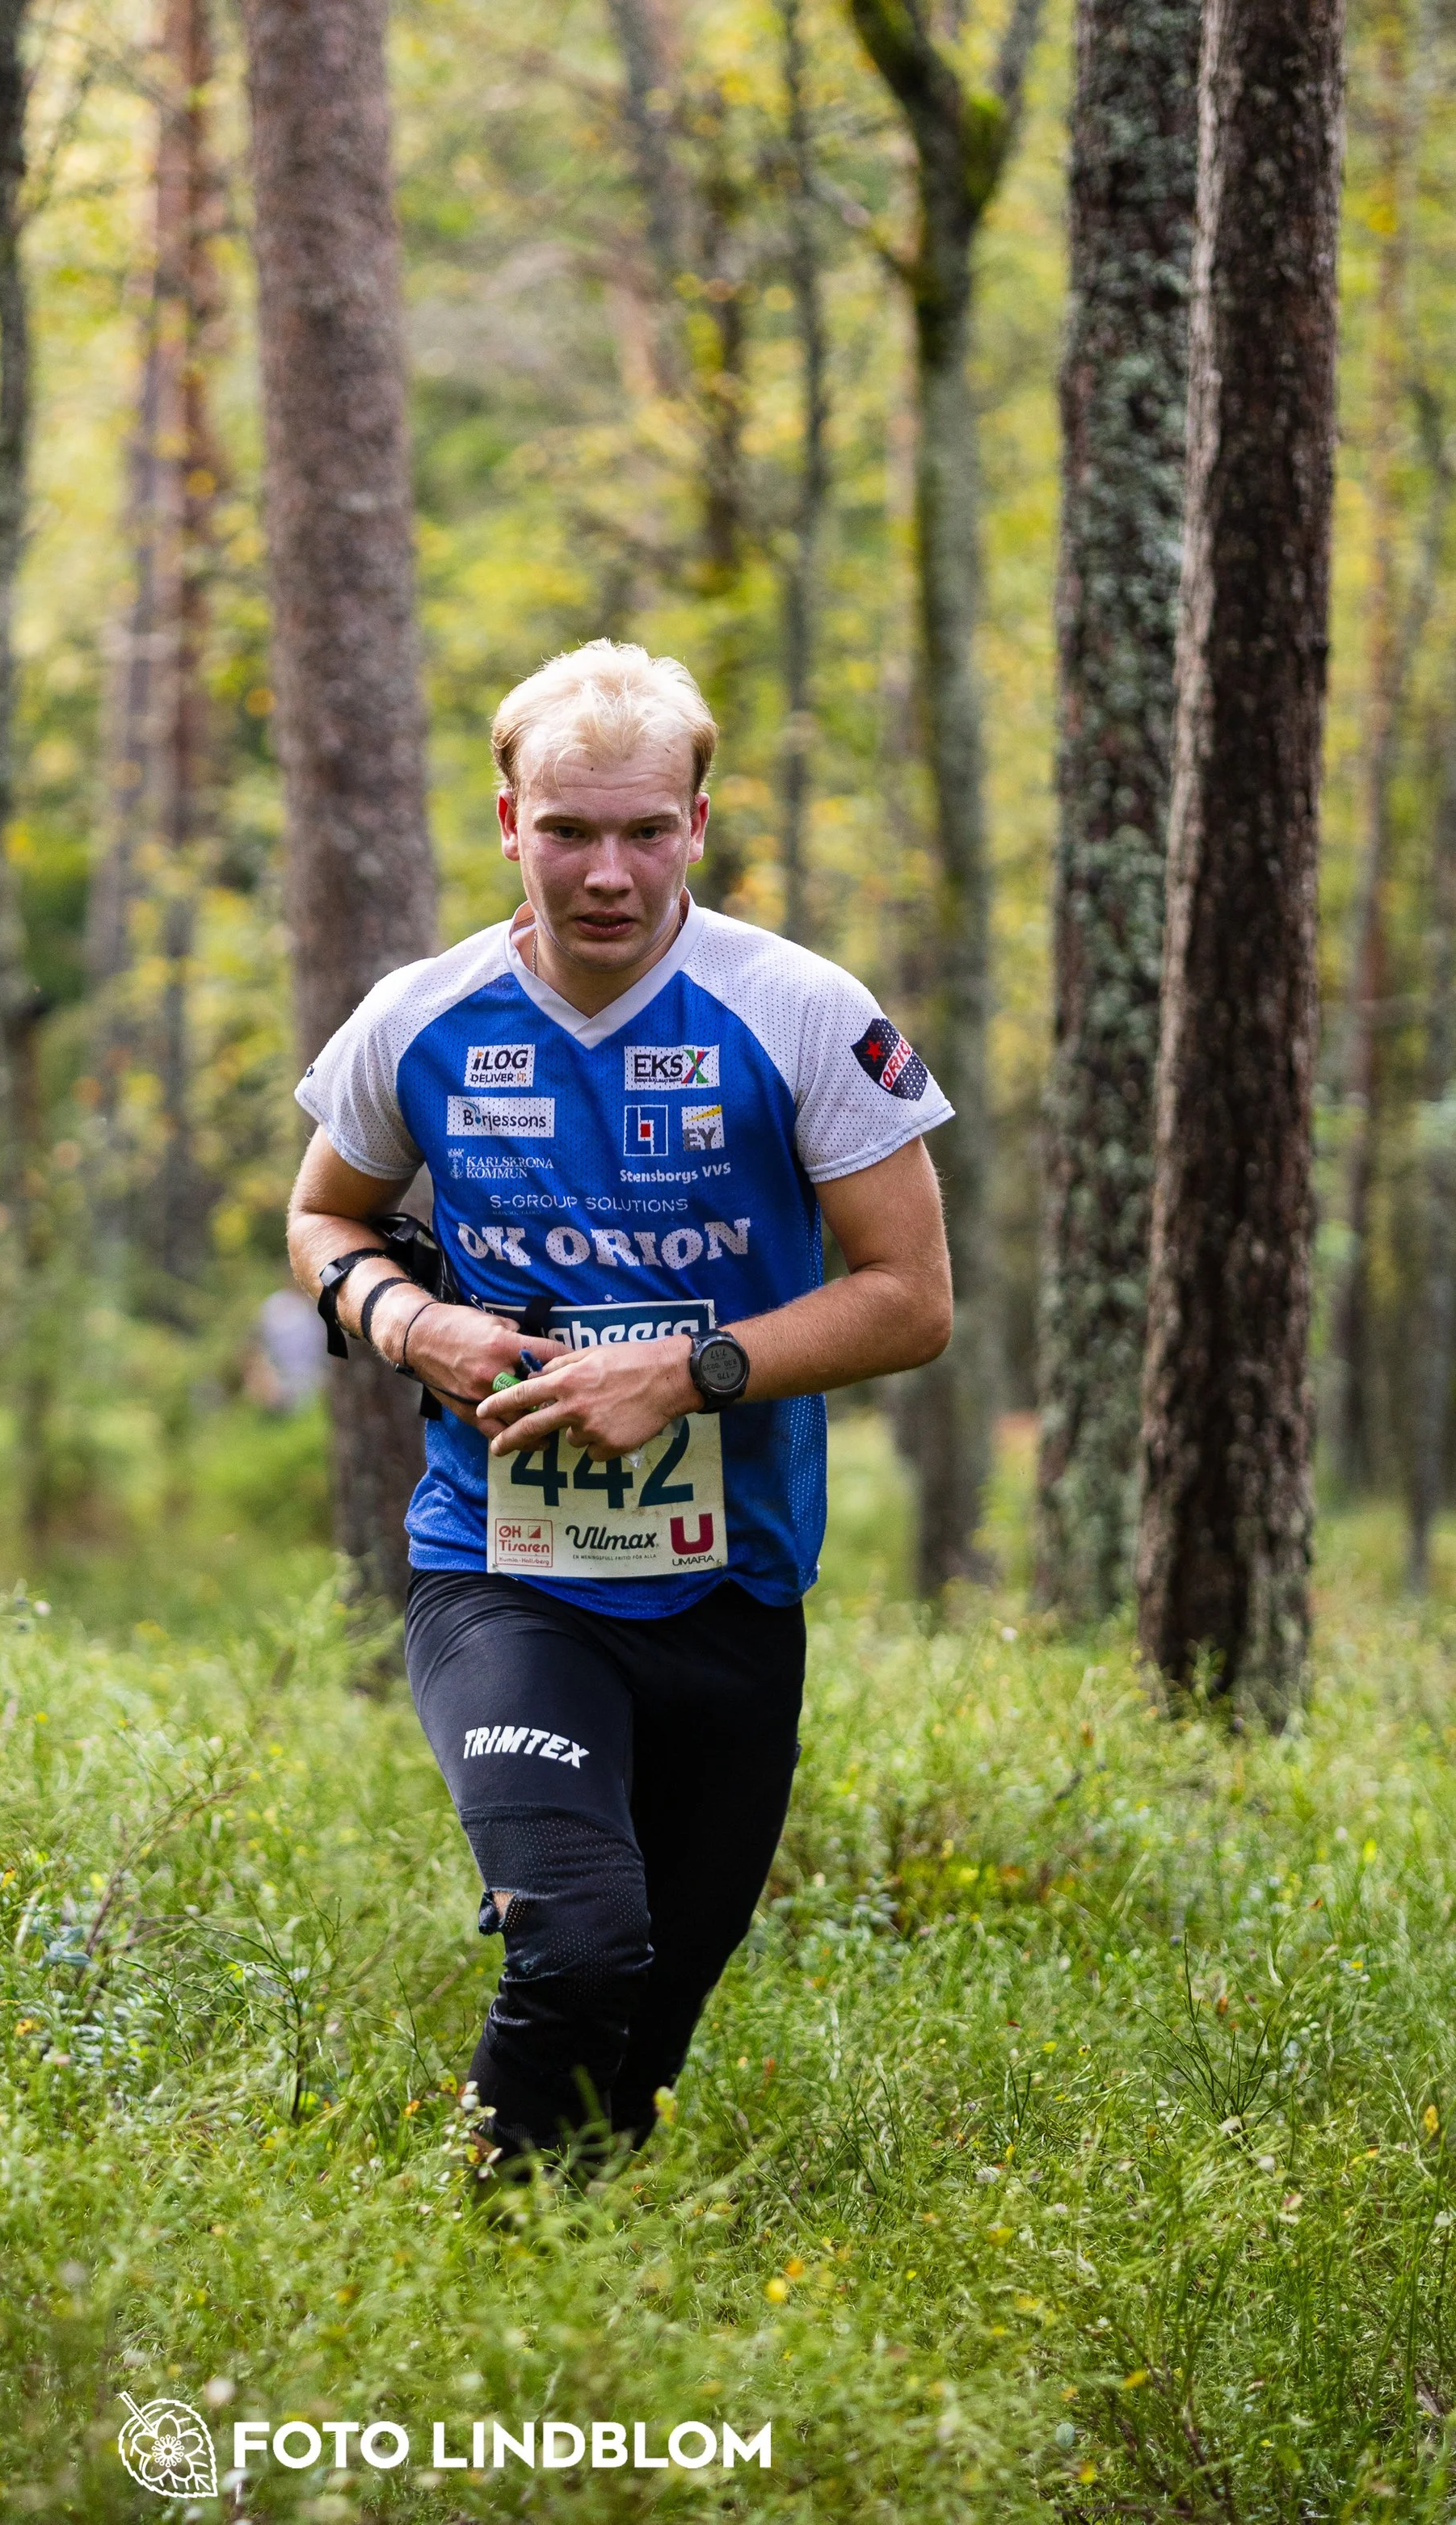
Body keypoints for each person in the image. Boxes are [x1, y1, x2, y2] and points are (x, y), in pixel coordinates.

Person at [285, 641, 953, 2169]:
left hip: (734, 1581)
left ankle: (565, 2256)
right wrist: (412, 1323)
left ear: (697, 825)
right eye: (570, 831)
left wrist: (691, 1371)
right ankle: (478, 2256)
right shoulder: (421, 1016)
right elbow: (322, 1216)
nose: (608, 873)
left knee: (642, 2024)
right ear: (507, 823)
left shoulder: (798, 1011)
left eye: (647, 831)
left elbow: (912, 1299)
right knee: (578, 1942)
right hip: (500, 1570)